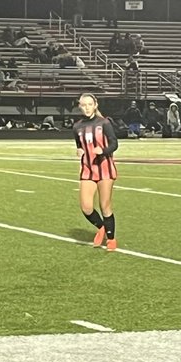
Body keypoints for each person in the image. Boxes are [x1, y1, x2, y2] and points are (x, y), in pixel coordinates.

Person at [73, 93, 119, 251]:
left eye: (89, 104)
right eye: (83, 105)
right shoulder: (77, 126)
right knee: (86, 207)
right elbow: (79, 145)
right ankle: (101, 227)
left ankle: (111, 239)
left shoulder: (104, 123)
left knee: (105, 206)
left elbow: (114, 143)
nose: (86, 108)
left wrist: (103, 151)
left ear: (95, 105)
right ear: (80, 106)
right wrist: (79, 151)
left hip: (104, 168)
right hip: (88, 169)